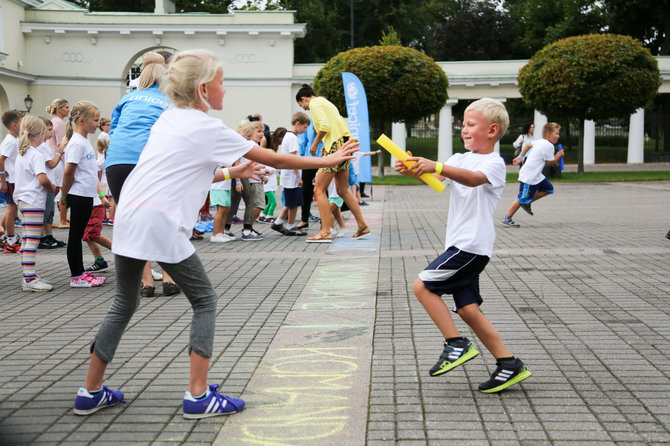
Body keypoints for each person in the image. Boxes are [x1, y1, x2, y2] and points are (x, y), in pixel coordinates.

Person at [72, 49, 358, 419]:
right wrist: (329, 160)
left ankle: (90, 391)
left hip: (130, 217)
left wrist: (232, 174)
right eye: (221, 81)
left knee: (124, 304)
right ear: (204, 89)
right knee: (205, 301)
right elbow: (277, 159)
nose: (226, 88)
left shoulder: (169, 118)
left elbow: (184, 172)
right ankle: (198, 396)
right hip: (160, 224)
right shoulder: (205, 126)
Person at [395, 98, 531, 394]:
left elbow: (471, 180)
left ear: (492, 130)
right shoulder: (459, 158)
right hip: (461, 245)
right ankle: (508, 364)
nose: (464, 130)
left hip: (471, 246)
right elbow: (439, 178)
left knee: (422, 286)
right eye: (463, 125)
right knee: (468, 311)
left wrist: (437, 164)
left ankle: (455, 344)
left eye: (471, 125)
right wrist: (414, 168)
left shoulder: (493, 164)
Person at [106, 52, 179, 297]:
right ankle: (168, 277)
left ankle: (146, 282)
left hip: (117, 162)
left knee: (133, 221)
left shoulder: (126, 99)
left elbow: (113, 134)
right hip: (149, 160)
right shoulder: (169, 101)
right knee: (162, 218)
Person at [296, 84, 370, 243]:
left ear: (303, 99)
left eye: (302, 106)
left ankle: (325, 231)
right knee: (343, 190)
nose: (305, 109)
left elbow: (324, 126)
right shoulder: (325, 102)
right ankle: (362, 226)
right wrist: (327, 146)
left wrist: (315, 144)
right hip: (345, 144)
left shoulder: (315, 103)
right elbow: (334, 126)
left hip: (337, 146)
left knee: (319, 188)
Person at [60, 101, 107, 288]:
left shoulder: (84, 141)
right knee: (75, 235)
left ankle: (79, 273)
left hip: (86, 195)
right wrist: (64, 196)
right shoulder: (77, 143)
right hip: (78, 195)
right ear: (81, 120)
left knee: (77, 235)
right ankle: (76, 276)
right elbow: (68, 171)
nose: (97, 124)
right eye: (95, 120)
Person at [13, 116, 57, 291]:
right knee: (32, 241)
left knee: (26, 240)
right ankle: (30, 279)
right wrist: (51, 188)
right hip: (34, 201)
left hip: (24, 201)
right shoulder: (36, 155)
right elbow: (42, 178)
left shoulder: (22, 153)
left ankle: (28, 275)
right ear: (40, 135)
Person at [501, 122, 564, 228]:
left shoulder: (540, 141)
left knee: (548, 189)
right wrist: (558, 155)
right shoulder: (549, 146)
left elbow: (528, 145)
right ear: (548, 134)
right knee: (521, 198)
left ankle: (527, 202)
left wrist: (521, 156)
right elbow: (550, 162)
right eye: (556, 133)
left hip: (536, 176)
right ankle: (507, 218)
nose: (558, 136)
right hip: (529, 177)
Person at [226, 120, 266, 241]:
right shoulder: (241, 143)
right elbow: (236, 162)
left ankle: (226, 228)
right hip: (241, 176)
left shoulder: (237, 141)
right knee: (250, 202)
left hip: (237, 176)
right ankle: (247, 230)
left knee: (234, 204)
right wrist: (238, 181)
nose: (249, 138)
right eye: (248, 135)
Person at [271, 113, 310, 236]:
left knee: (291, 201)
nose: (305, 130)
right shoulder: (292, 138)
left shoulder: (288, 136)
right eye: (304, 127)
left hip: (289, 175)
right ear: (297, 124)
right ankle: (291, 226)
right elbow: (293, 159)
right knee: (294, 204)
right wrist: (298, 176)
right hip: (292, 176)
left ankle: (278, 223)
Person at [36, 117, 66, 249]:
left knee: (50, 212)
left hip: (50, 182)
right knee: (45, 212)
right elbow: (52, 164)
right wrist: (59, 153)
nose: (51, 133)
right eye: (49, 130)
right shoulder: (41, 147)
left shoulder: (44, 146)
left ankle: (49, 236)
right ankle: (42, 237)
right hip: (47, 184)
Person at [84, 138, 113, 273]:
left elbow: (96, 180)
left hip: (95, 203)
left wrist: (101, 197)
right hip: (87, 202)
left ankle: (126, 254)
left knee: (93, 234)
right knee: (86, 235)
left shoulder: (91, 162)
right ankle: (99, 261)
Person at [0, 110, 24, 253]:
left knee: (11, 209)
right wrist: (2, 179)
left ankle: (2, 234)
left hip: (14, 179)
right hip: (10, 180)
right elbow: (1, 159)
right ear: (14, 125)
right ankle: (11, 242)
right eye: (22, 122)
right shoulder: (9, 140)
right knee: (12, 210)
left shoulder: (15, 139)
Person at [46, 98, 70, 229]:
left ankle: (55, 217)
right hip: (59, 159)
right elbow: (62, 144)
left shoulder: (53, 121)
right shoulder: (60, 123)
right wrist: (68, 162)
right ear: (59, 109)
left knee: (55, 190)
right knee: (61, 190)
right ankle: (62, 219)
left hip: (53, 157)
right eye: (66, 107)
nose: (69, 110)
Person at [296, 119, 322, 231]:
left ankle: (304, 220)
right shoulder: (312, 122)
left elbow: (302, 142)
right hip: (317, 159)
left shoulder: (312, 121)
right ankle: (307, 219)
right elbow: (302, 142)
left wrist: (301, 158)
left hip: (313, 160)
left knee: (307, 191)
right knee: (320, 191)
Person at [258, 127, 285, 224]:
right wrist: (266, 171)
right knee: (273, 202)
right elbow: (260, 162)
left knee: (270, 202)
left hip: (272, 183)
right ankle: (269, 216)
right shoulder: (263, 160)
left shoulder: (271, 161)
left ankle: (263, 215)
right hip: (267, 183)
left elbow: (275, 167)